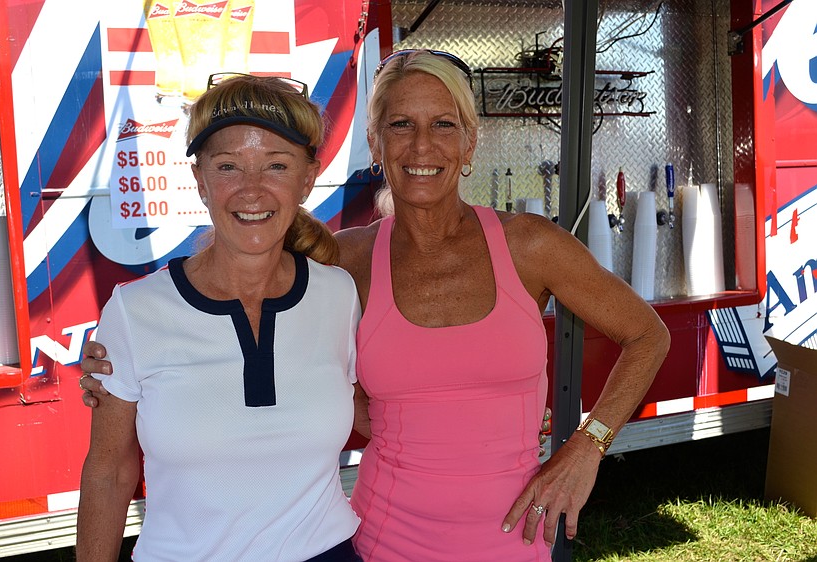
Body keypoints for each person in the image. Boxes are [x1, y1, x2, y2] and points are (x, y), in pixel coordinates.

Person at [81, 50, 670, 561]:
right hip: (383, 538)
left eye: (443, 124)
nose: (421, 146)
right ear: (375, 144)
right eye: (400, 125)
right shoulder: (348, 263)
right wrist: (125, 361)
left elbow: (648, 335)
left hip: (512, 536)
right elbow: (255, 270)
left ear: (469, 141)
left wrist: (586, 445)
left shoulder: (531, 245)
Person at [76, 74, 363, 562]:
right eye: (229, 166)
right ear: (200, 181)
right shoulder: (136, 311)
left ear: (308, 179)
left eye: (277, 165)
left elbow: (376, 410)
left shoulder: (337, 294)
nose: (251, 191)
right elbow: (110, 472)